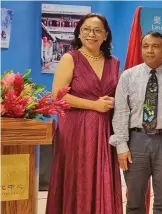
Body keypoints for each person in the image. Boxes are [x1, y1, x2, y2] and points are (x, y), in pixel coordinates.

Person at [47, 13, 122, 214]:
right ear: (79, 33)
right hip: (75, 129)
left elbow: (117, 94)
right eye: (86, 29)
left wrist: (114, 101)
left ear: (105, 35)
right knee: (77, 175)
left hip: (105, 129)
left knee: (101, 175)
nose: (92, 34)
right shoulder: (70, 58)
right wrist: (93, 105)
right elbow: (58, 97)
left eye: (97, 30)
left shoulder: (114, 62)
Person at [109, 31, 162, 214]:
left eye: (155, 46)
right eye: (146, 46)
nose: (150, 51)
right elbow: (121, 112)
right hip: (135, 142)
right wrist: (121, 146)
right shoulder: (128, 76)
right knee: (134, 200)